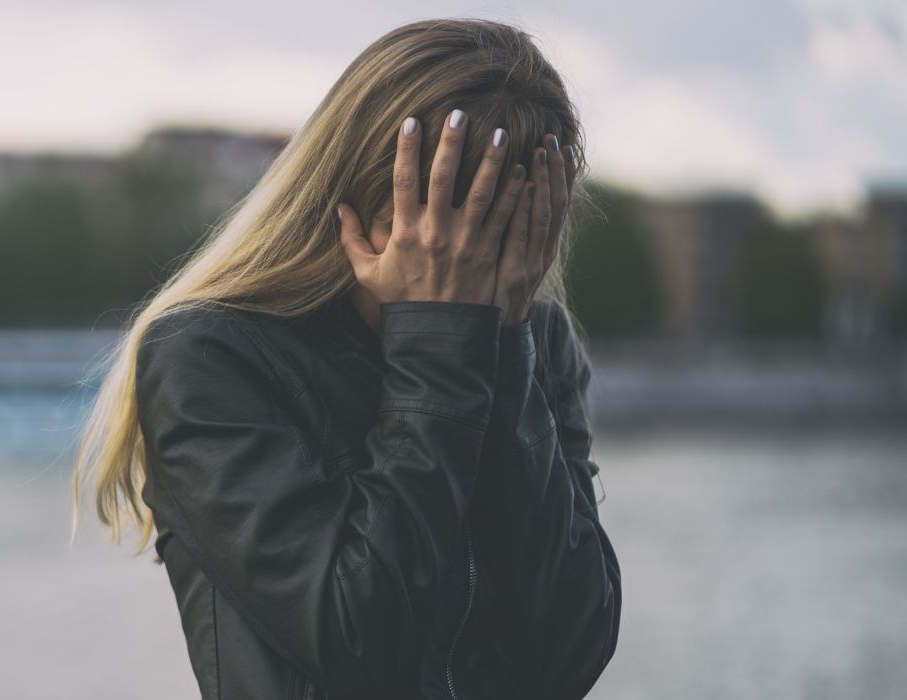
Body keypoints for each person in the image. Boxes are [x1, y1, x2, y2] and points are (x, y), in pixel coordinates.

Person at [69, 17, 621, 699]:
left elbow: (570, 655)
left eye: (497, 236)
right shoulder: (210, 357)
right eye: (438, 225)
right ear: (357, 203)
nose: (463, 263)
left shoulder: (534, 342)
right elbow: (357, 643)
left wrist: (504, 354)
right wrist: (440, 351)